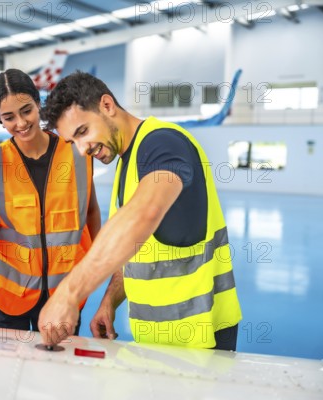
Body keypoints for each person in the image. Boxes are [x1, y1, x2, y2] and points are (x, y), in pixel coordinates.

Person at [38, 72, 242, 350]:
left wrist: (69, 294)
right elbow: (137, 245)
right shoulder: (127, 162)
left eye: (83, 131)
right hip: (159, 341)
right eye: (72, 142)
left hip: (201, 339)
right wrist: (110, 300)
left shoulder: (163, 144)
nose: (82, 149)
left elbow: (144, 213)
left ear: (107, 105)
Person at [0, 69, 101, 332]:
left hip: (64, 294)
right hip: (5, 294)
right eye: (9, 117)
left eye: (26, 110)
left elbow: (91, 211)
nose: (21, 123)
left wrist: (92, 265)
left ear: (38, 104)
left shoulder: (78, 153)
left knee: (55, 371)